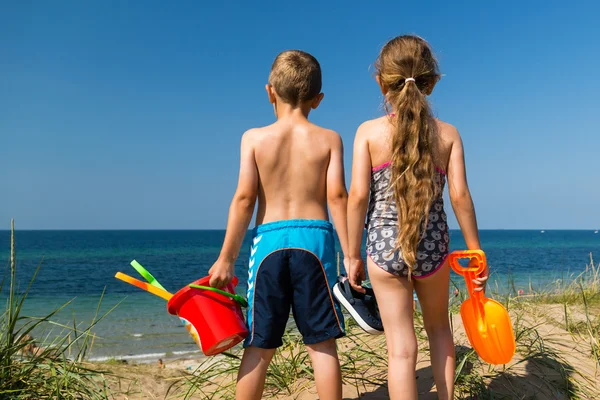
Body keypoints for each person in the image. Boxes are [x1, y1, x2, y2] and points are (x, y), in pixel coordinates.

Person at [346, 35, 487, 400]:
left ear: (380, 81)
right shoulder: (448, 135)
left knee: (401, 350)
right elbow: (460, 197)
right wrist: (475, 253)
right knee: (440, 330)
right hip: (433, 249)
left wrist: (351, 254)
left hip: (382, 247)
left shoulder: (367, 133)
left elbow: (359, 196)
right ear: (432, 81)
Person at [208, 50, 349, 400]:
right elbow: (338, 198)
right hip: (315, 241)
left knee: (259, 344)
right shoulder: (329, 139)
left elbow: (244, 199)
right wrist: (352, 255)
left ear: (270, 91)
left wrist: (226, 258)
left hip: (269, 242)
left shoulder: (253, 138)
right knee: (322, 343)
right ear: (318, 100)